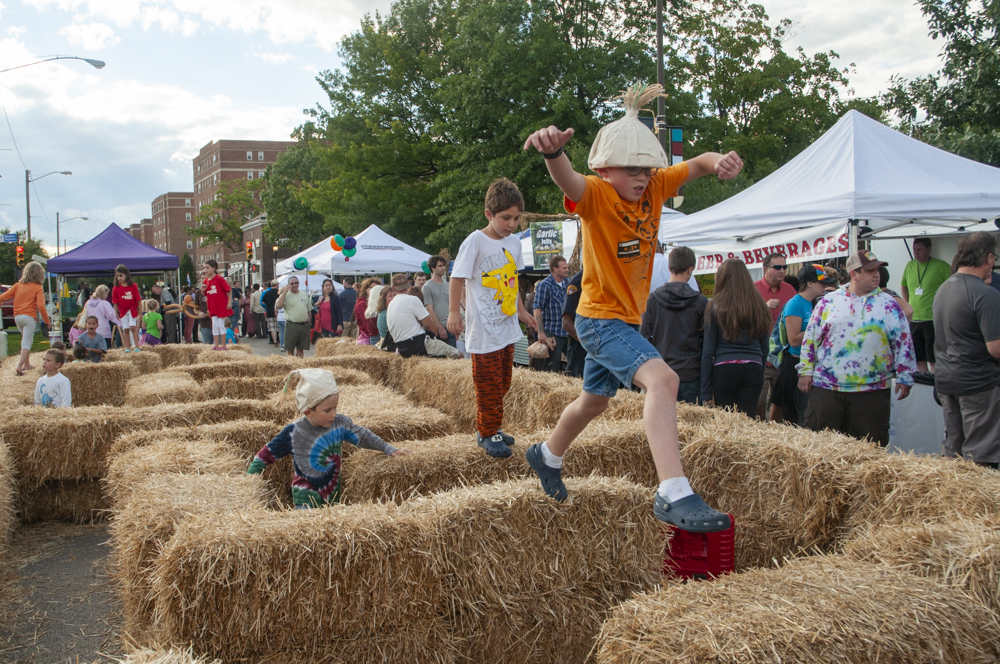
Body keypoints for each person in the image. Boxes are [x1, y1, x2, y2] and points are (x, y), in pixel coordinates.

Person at [521, 83, 741, 531]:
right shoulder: (597, 195)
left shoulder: (657, 186)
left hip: (624, 320)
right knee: (665, 379)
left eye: (646, 169)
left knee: (593, 402)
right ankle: (673, 490)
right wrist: (552, 154)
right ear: (604, 168)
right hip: (599, 319)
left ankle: (545, 455)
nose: (640, 178)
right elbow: (569, 179)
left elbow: (696, 164)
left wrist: (719, 161)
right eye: (629, 169)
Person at [447, 178, 536, 457]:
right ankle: (486, 433)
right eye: (505, 218)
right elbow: (457, 277)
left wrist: (521, 311)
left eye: (516, 218)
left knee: (504, 383)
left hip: (507, 327)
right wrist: (453, 312)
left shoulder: (515, 243)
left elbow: (513, 280)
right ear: (489, 214)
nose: (511, 224)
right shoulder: (475, 241)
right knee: (487, 384)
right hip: (484, 328)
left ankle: (493, 427)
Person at [798, 249, 916, 446]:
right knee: (820, 450)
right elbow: (811, 338)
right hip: (828, 388)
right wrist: (805, 371)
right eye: (870, 271)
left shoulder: (889, 304)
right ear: (854, 274)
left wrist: (905, 374)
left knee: (868, 453)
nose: (877, 275)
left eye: (878, 270)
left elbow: (904, 341)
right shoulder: (828, 302)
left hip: (872, 391)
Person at [247, 369, 411, 508]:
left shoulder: (340, 424)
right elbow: (266, 454)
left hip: (332, 494)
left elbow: (363, 435)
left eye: (335, 407)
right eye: (327, 410)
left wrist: (388, 448)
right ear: (308, 411)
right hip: (305, 497)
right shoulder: (294, 432)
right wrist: (247, 479)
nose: (333, 413)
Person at [932, 232, 1000, 469]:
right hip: (977, 382)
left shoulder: (943, 288)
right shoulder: (986, 294)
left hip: (946, 379)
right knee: (980, 455)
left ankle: (951, 504)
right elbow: (996, 348)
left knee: (954, 450)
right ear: (989, 258)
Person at [700, 259, 772, 415]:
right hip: (753, 366)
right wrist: (759, 366)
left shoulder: (715, 306)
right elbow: (765, 348)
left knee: (726, 422)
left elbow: (707, 352)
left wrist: (705, 390)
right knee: (747, 421)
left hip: (724, 367)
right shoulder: (759, 305)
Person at [640, 246, 707, 405]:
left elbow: (643, 337)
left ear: (669, 267)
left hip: (660, 371)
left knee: (661, 425)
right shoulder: (701, 302)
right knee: (688, 427)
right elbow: (705, 341)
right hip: (690, 373)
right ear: (691, 269)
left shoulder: (652, 300)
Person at [770, 265, 828, 426]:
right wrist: (820, 330)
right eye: (822, 282)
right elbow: (793, 339)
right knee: (792, 416)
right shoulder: (795, 304)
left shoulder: (816, 303)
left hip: (810, 364)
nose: (825, 286)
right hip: (794, 364)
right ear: (810, 283)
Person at [753, 252, 795, 419]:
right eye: (777, 267)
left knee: (781, 402)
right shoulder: (754, 289)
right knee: (758, 402)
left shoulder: (790, 290)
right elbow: (745, 317)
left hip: (782, 356)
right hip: (761, 354)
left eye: (785, 267)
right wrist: (764, 307)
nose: (782, 271)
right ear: (766, 269)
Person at [900, 238, 950, 373]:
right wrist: (908, 304)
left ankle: (935, 383)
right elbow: (904, 285)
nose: (916, 253)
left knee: (933, 358)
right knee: (918, 358)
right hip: (915, 319)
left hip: (931, 319)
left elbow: (953, 287)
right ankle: (924, 380)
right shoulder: (910, 265)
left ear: (929, 249)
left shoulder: (941, 266)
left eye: (919, 249)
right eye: (914, 249)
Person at [0, 261, 51, 376]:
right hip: (29, 317)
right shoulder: (38, 287)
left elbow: (3, 297)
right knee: (27, 342)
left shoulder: (17, 286)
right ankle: (19, 366)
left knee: (25, 339)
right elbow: (41, 306)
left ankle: (27, 364)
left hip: (17, 317)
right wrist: (47, 321)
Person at [533, 255, 571, 374]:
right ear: (555, 269)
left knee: (574, 361)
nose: (567, 270)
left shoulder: (568, 283)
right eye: (564, 268)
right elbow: (537, 308)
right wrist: (540, 332)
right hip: (552, 331)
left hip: (568, 331)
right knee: (551, 365)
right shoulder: (544, 285)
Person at [385, 275, 433, 357]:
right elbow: (429, 324)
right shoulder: (412, 299)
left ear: (393, 288)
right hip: (418, 344)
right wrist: (435, 335)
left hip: (402, 348)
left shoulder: (391, 304)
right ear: (408, 285)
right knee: (458, 354)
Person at [422, 255, 457, 348]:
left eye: (444, 265)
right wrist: (439, 327)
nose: (443, 268)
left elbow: (452, 305)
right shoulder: (427, 287)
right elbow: (429, 309)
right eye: (440, 266)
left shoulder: (448, 285)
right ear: (433, 268)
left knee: (454, 358)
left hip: (450, 326)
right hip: (437, 328)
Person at [276, 276, 312, 358]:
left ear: (299, 283)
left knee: (301, 349)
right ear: (288, 285)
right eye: (292, 283)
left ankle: (299, 366)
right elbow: (278, 306)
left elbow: (309, 309)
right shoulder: (286, 295)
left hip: (304, 325)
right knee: (290, 349)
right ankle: (291, 366)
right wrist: (284, 292)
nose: (294, 285)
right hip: (292, 325)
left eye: (296, 283)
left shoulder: (304, 295)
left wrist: (309, 322)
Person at [203, 260, 233, 350]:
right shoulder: (206, 281)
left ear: (214, 268)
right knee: (214, 325)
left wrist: (229, 302)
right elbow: (206, 293)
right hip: (212, 306)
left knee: (220, 325)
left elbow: (229, 290)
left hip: (221, 305)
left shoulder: (219, 279)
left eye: (207, 267)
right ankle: (216, 345)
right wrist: (202, 290)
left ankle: (223, 345)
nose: (205, 269)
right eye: (204, 268)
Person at [561, 270, 587, 378]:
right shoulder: (577, 282)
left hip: (599, 347)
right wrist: (586, 342)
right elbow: (566, 323)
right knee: (578, 381)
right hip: (580, 347)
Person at [85, 284, 119, 351]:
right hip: (104, 332)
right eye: (106, 293)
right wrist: (120, 323)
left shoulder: (88, 303)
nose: (107, 296)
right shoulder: (104, 303)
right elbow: (112, 315)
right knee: (104, 351)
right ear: (103, 293)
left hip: (91, 331)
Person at [354, 278, 381, 346]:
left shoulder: (375, 302)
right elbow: (366, 323)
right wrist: (374, 336)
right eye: (371, 288)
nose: (373, 290)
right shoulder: (362, 304)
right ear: (365, 289)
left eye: (375, 288)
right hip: (369, 337)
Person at [375, 283, 397, 351]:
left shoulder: (389, 310)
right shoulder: (385, 313)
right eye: (390, 296)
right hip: (388, 344)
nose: (393, 298)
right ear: (384, 299)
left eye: (394, 295)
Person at [261, 281, 280, 346]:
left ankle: (275, 341)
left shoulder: (267, 293)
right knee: (279, 327)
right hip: (279, 312)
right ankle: (280, 340)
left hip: (270, 312)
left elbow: (262, 302)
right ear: (277, 285)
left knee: (272, 328)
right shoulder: (279, 293)